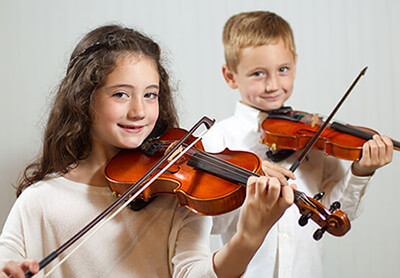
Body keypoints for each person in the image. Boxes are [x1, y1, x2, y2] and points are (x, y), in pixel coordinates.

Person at [0, 24, 295, 278]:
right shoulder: (39, 200)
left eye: (150, 94)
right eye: (120, 94)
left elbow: (194, 272)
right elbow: (6, 263)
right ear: (83, 99)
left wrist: (247, 238)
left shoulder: (175, 194)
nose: (139, 111)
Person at [202, 11, 394, 278]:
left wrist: (361, 171)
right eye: (258, 74)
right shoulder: (218, 139)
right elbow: (211, 223)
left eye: (283, 70)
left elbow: (336, 214)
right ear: (230, 76)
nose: (273, 85)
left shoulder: (314, 137)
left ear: (295, 65)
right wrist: (248, 179)